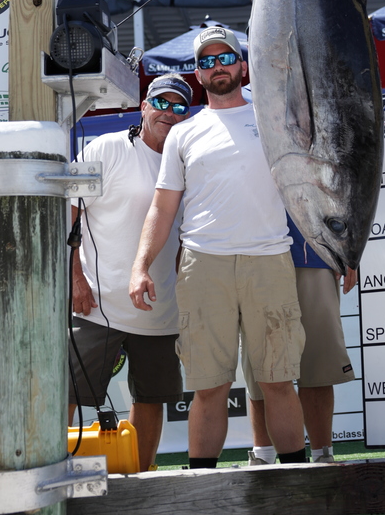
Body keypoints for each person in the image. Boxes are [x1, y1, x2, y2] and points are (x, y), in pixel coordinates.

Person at [129, 26, 306, 473]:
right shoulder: (183, 134)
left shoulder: (275, 116)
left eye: (225, 57)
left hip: (269, 259)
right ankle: (200, 490)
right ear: (198, 74)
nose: (217, 67)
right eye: (206, 61)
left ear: (243, 65)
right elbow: (162, 207)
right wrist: (140, 265)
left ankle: (300, 489)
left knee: (278, 381)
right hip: (202, 264)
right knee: (208, 388)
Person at [68, 74, 192, 471]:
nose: (169, 112)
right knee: (66, 394)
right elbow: (67, 214)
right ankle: (51, 480)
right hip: (95, 303)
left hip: (161, 311)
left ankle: (143, 485)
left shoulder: (190, 161)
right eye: (161, 103)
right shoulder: (105, 147)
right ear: (144, 106)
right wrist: (74, 278)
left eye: (178, 106)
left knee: (151, 400)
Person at [244, 216, 357, 515]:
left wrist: (348, 248)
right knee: (263, 369)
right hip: (254, 254)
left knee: (318, 366)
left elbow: (341, 192)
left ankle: (323, 465)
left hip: (315, 252)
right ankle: (264, 466)